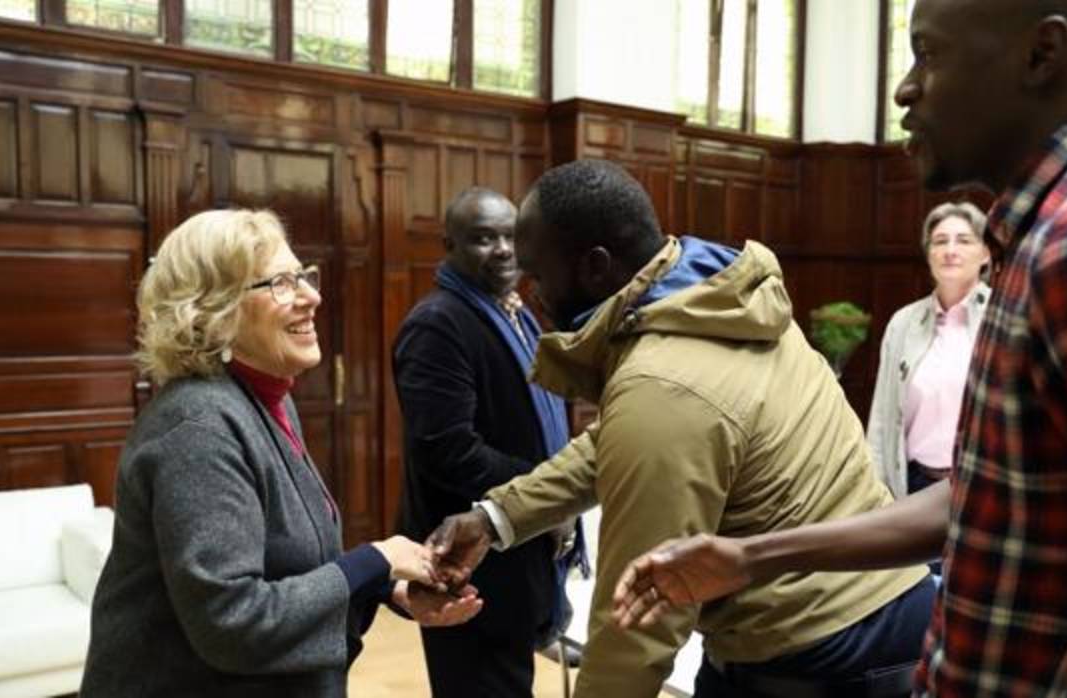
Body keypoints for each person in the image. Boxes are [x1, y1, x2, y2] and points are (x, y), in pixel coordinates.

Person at [613, 1, 1067, 696]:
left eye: (929, 54)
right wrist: (752, 556)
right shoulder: (1051, 233)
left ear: (1042, 54)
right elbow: (982, 496)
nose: (906, 87)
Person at [428, 159, 935, 698]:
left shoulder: (661, 383)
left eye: (539, 274)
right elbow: (614, 442)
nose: (534, 296)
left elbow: (639, 616)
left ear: (595, 267)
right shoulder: (719, 297)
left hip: (819, 653)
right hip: (886, 608)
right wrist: (496, 516)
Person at [80, 209, 481, 698]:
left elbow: (289, 565)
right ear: (213, 310)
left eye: (304, 276)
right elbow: (233, 621)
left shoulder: (266, 399)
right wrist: (374, 561)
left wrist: (389, 590)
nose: (312, 296)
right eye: (280, 283)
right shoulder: (198, 428)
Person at [392, 187, 584, 697]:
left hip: (516, 550)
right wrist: (549, 490)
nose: (502, 249)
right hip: (472, 562)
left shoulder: (515, 311)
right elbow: (446, 449)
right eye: (483, 239)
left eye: (510, 236)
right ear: (449, 244)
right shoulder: (439, 324)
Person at [868, 201, 990, 500]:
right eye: (940, 241)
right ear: (929, 253)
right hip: (915, 482)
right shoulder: (903, 323)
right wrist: (876, 490)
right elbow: (882, 418)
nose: (950, 250)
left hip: (979, 485)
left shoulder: (1001, 315)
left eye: (964, 240)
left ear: (985, 253)